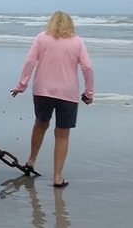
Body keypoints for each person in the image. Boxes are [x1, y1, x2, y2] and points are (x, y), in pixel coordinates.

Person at [10, 10, 94, 188]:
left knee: (40, 124)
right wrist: (89, 92)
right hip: (67, 94)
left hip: (42, 91)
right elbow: (87, 67)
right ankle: (57, 177)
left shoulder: (41, 38)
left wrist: (21, 86)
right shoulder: (77, 42)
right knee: (62, 134)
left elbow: (29, 61)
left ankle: (31, 160)